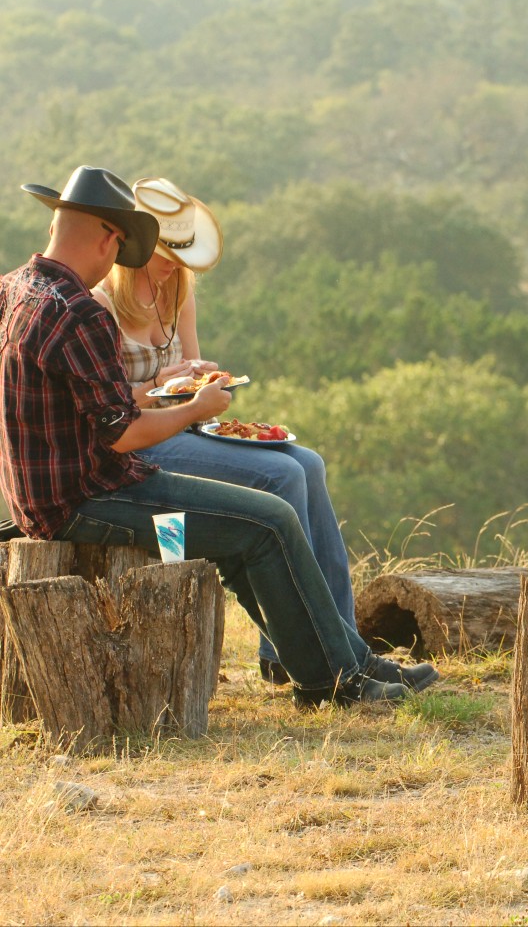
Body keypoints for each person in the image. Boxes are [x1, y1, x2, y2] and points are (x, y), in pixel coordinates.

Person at [0, 165, 434, 708]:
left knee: (244, 536)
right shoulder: (78, 312)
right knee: (270, 520)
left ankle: (341, 666)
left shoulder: (14, 288)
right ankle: (337, 681)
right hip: (89, 500)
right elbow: (124, 434)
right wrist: (196, 408)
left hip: (56, 495)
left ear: (57, 223)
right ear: (109, 239)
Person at [90, 177, 400, 691]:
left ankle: (343, 643)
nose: (173, 264)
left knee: (308, 464)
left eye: (180, 253)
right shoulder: (101, 306)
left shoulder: (177, 291)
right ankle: (299, 650)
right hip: (146, 439)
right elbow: (109, 411)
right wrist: (159, 384)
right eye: (165, 253)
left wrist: (199, 377)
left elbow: (189, 377)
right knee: (280, 476)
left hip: (185, 425)